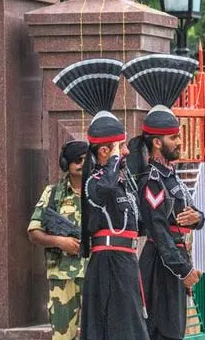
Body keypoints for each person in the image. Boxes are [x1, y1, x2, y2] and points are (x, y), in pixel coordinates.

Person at [53, 58, 149, 339]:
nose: (125, 153)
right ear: (105, 153)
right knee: (116, 330)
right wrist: (114, 161)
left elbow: (139, 222)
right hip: (108, 264)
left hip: (126, 261)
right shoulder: (95, 182)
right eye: (119, 147)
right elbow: (103, 189)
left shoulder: (121, 180)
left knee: (133, 329)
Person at [123, 54, 204, 340]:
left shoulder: (172, 175)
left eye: (179, 136)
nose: (179, 142)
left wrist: (199, 218)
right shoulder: (153, 180)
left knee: (174, 331)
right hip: (160, 261)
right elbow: (158, 228)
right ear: (157, 142)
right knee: (163, 331)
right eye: (174, 138)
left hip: (175, 255)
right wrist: (183, 269)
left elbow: (190, 214)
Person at [27, 141, 89, 340]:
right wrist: (60, 241)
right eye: (77, 160)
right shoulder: (53, 194)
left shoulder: (98, 192)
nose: (83, 164)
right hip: (62, 277)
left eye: (87, 159)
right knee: (63, 336)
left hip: (94, 273)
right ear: (66, 164)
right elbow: (34, 231)